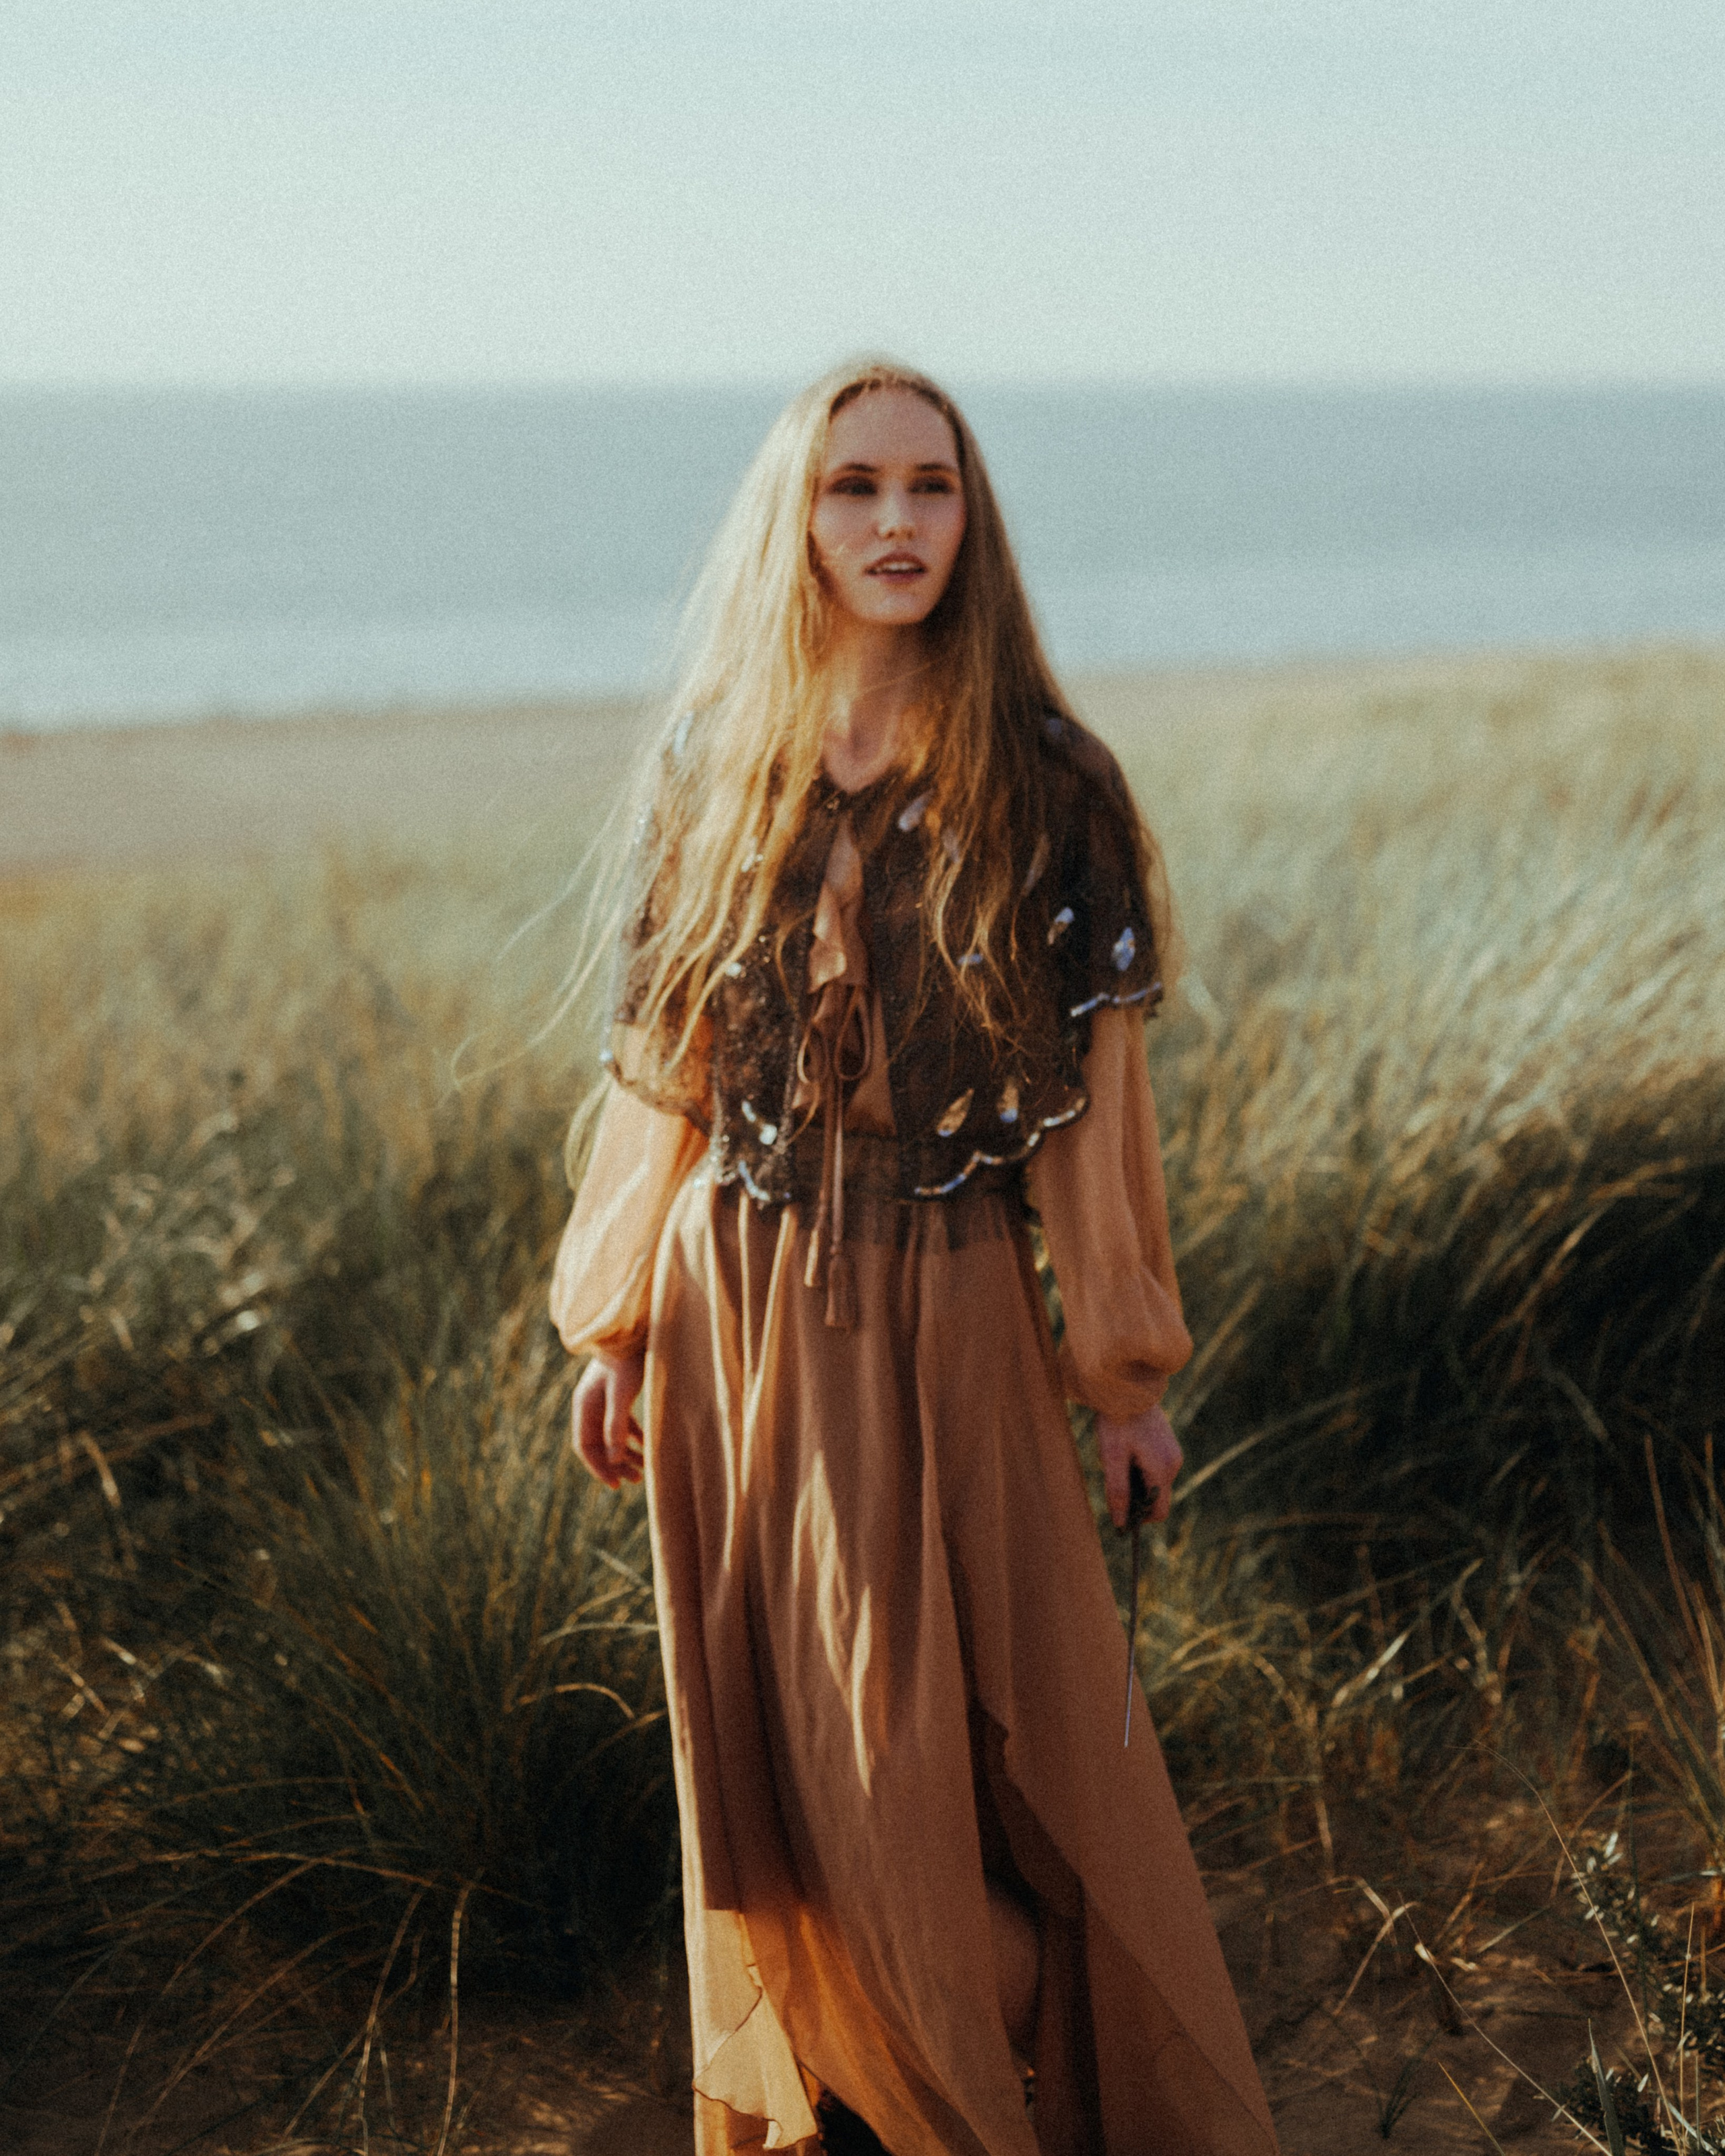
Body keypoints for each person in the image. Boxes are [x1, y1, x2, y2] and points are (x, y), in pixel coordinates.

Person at [552, 359, 1277, 2156]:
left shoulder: (1050, 782)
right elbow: (665, 1075)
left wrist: (1121, 1378)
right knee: (779, 1803)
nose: (894, 522)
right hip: (729, 1315)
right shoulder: (712, 764)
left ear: (974, 518)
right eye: (855, 487)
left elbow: (1099, 1113)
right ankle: (860, 2116)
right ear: (799, 519)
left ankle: (1001, 2084)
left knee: (948, 1783)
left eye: (929, 488)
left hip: (942, 1305)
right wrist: (617, 1323)